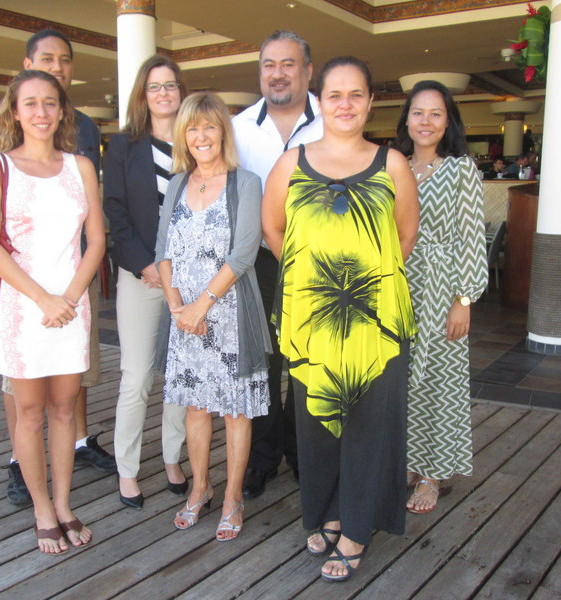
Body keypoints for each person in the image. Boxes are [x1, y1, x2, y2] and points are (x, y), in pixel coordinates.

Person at [262, 56, 418, 582]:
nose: (346, 104)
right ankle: (328, 510)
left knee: (370, 427)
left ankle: (356, 528)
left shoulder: (392, 163)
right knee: (318, 424)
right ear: (319, 101)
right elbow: (274, 232)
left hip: (377, 322)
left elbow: (404, 239)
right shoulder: (291, 163)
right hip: (313, 320)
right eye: (335, 95)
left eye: (356, 94)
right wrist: (314, 280)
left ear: (371, 101)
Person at [0, 29, 114, 508]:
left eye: (51, 103)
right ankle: (43, 510)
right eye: (31, 103)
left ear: (62, 110)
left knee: (65, 411)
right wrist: (44, 299)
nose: (42, 113)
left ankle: (65, 504)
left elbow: (97, 239)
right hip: (23, 309)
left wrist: (68, 298)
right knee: (29, 413)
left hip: (71, 307)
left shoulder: (80, 166)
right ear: (15, 111)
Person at [155, 92, 271, 541]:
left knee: (236, 412)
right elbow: (162, 251)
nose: (201, 136)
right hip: (185, 315)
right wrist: (178, 308)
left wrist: (202, 304)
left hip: (228, 314)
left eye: (209, 126)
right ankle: (200, 488)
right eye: (192, 128)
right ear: (183, 135)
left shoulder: (246, 182)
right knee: (197, 407)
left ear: (223, 130)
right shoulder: (179, 182)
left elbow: (244, 253)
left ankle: (232, 497)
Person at [232, 29, 323, 500]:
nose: (278, 73)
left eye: (288, 64)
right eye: (269, 65)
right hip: (260, 264)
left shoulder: (331, 119)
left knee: (308, 360)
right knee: (263, 363)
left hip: (318, 264)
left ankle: (304, 453)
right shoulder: (239, 127)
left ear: (307, 70)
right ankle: (263, 457)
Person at [395, 80, 488, 515]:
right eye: (418, 112)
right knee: (403, 380)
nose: (426, 121)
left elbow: (472, 237)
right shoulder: (394, 166)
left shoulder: (461, 170)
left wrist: (463, 299)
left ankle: (433, 474)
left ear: (447, 120)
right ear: (406, 119)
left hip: (442, 286)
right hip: (399, 286)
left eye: (435, 113)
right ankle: (411, 463)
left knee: (438, 381)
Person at [104, 55, 189, 509]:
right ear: (143, 94)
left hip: (188, 279)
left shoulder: (195, 141)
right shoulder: (122, 146)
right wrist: (145, 265)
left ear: (181, 91)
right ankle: (128, 468)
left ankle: (173, 458)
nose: (163, 93)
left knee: (178, 376)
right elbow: (114, 212)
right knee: (136, 376)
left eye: (171, 85)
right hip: (141, 277)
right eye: (155, 86)